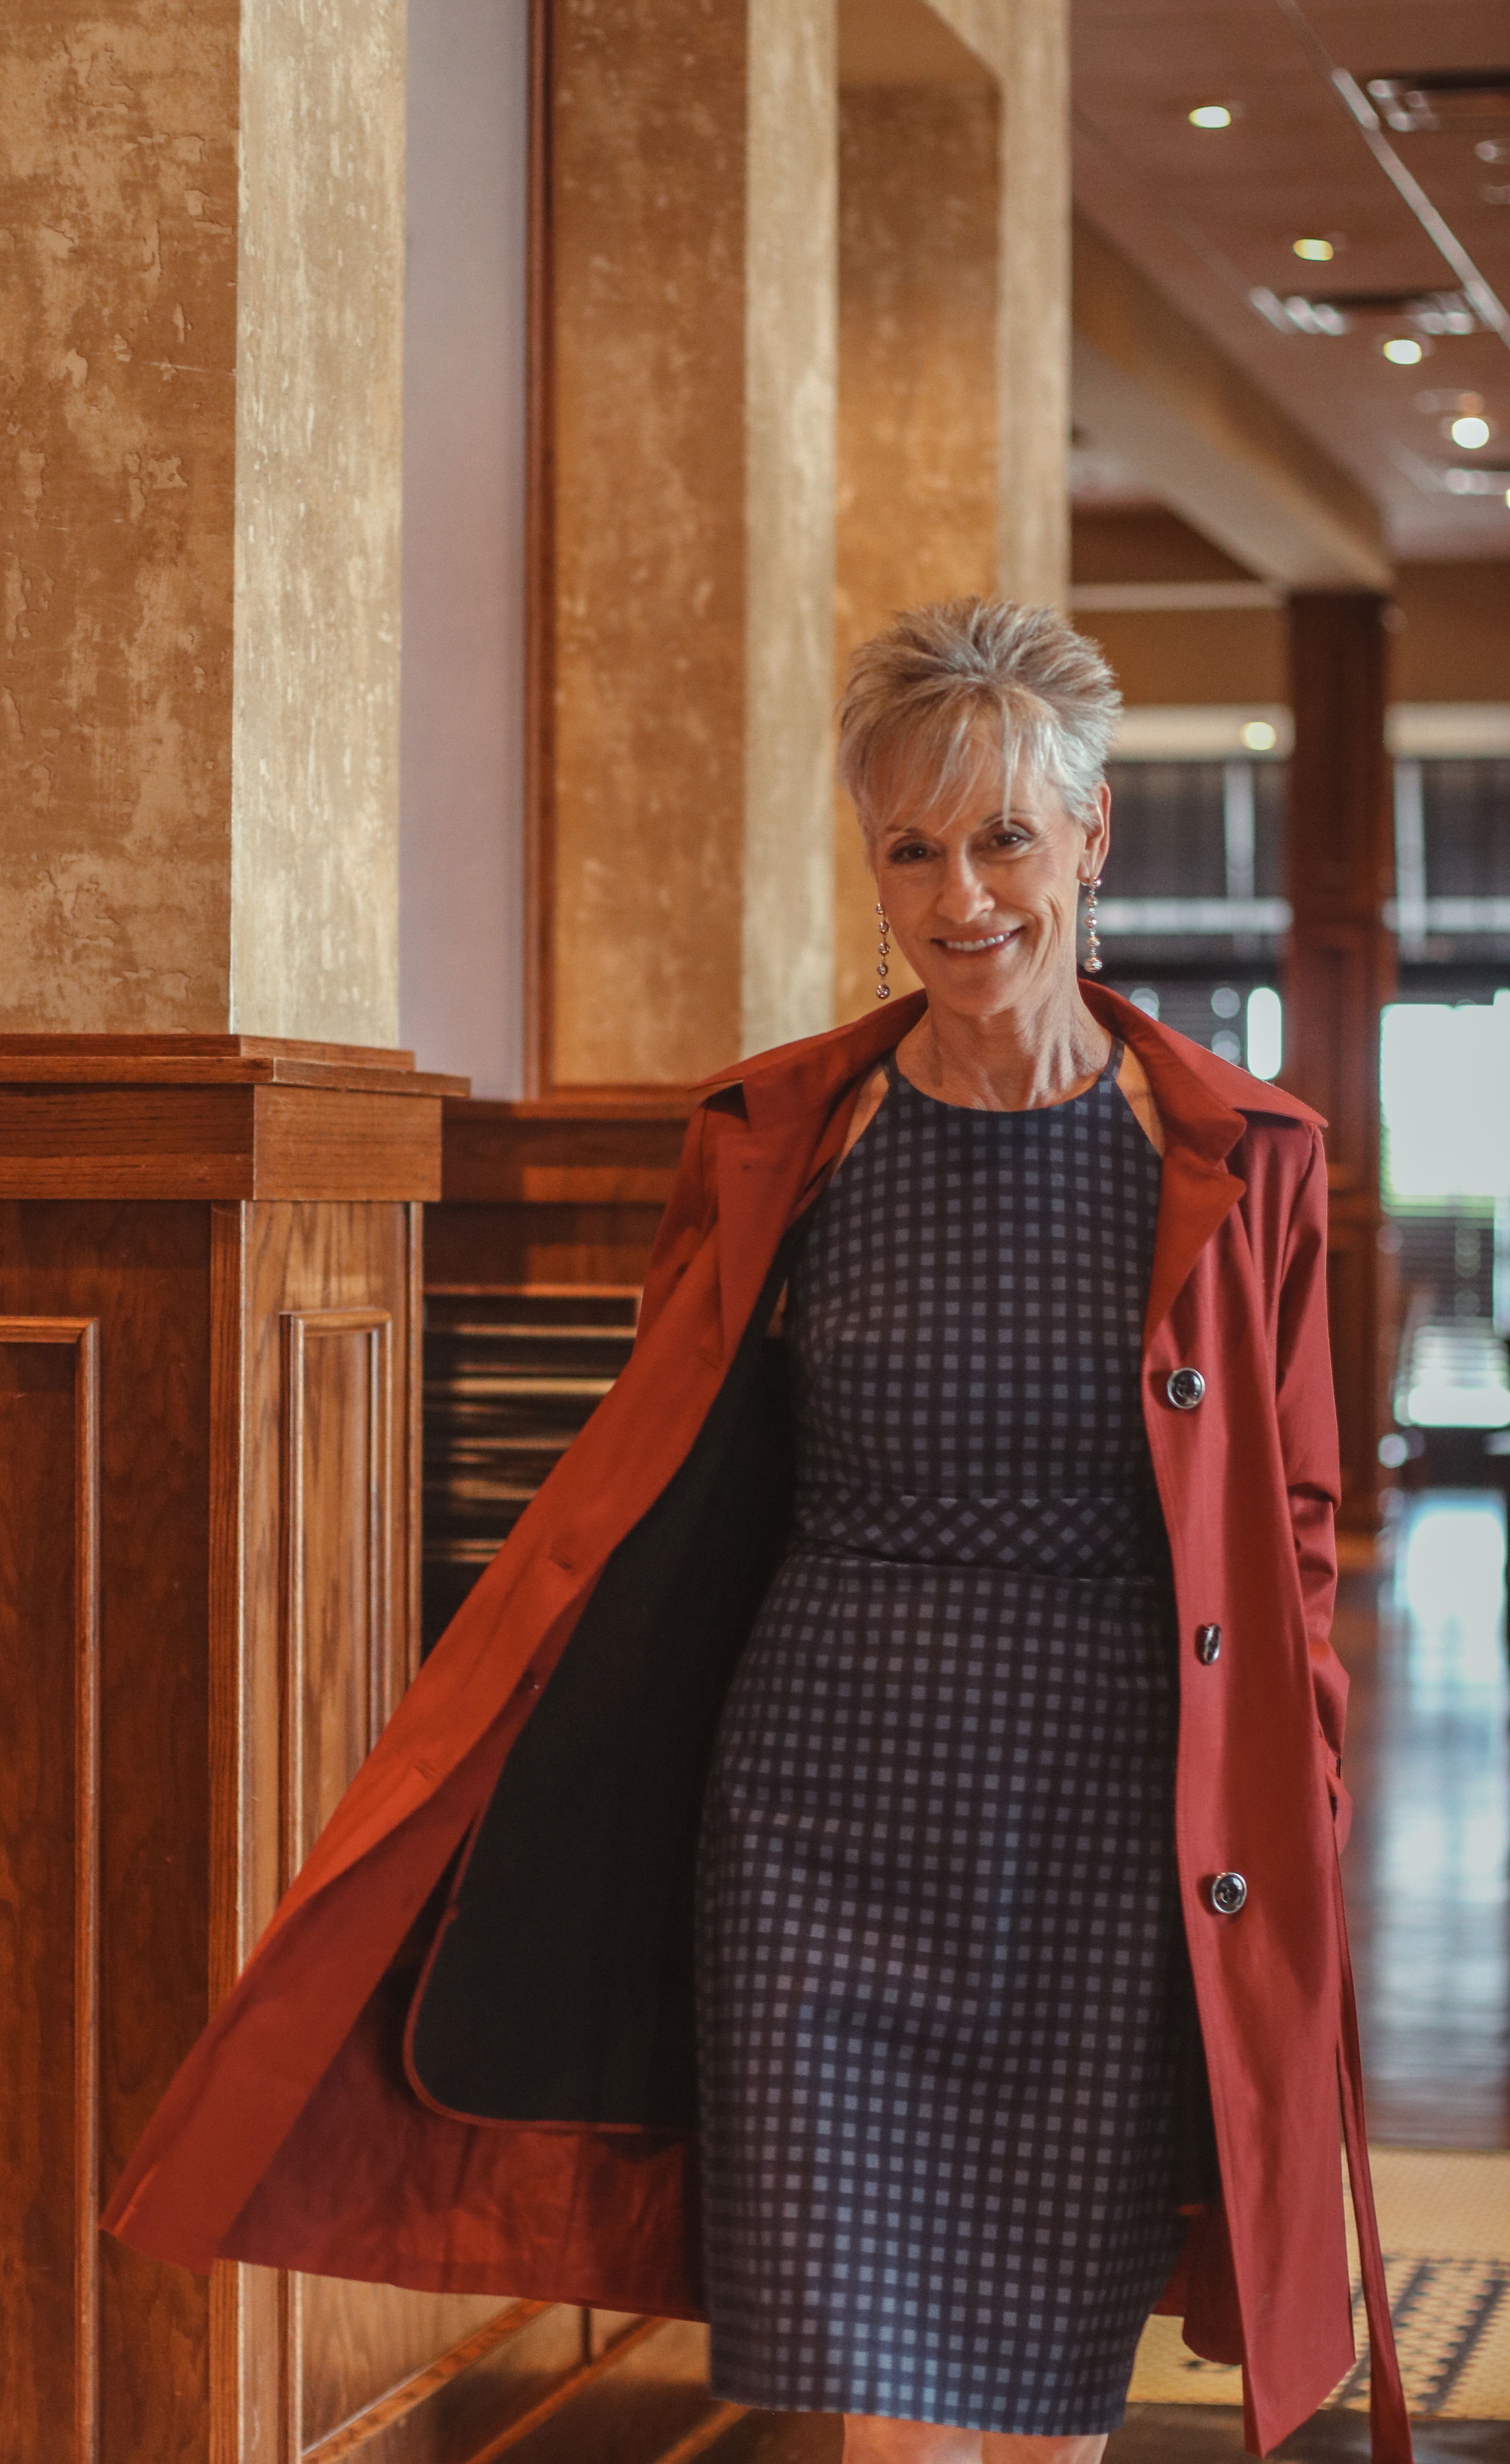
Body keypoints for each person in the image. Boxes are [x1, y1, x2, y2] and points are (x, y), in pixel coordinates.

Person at [106, 600, 1409, 2464]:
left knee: (1044, 2389)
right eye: (912, 849)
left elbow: (1291, 1532)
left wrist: (1305, 1808)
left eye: (1005, 839)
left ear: (1092, 835)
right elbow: (665, 1487)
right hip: (819, 1812)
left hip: (1104, 1823)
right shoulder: (783, 1137)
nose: (963, 895)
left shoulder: (1240, 1156)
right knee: (882, 2383)